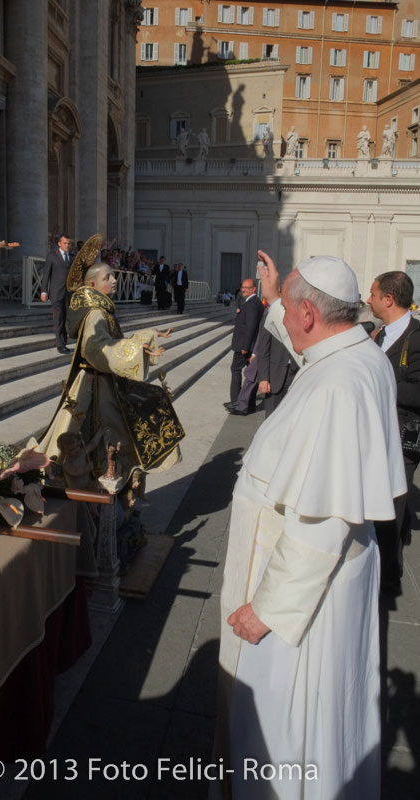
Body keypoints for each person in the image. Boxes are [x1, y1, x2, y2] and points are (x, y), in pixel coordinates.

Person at [214, 251, 406, 800]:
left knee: (287, 728)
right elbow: (310, 349)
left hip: (301, 604)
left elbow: (322, 524)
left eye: (293, 310)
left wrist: (266, 609)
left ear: (310, 317)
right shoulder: (354, 352)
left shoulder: (337, 387)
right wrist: (277, 300)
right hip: (329, 584)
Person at [38, 236, 184, 484]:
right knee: (109, 429)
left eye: (112, 276)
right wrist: (136, 349)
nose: (114, 279)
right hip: (95, 385)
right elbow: (96, 348)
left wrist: (148, 336)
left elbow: (115, 340)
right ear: (93, 285)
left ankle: (122, 477)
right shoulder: (95, 313)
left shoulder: (102, 310)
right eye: (107, 278)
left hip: (104, 381)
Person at [367, 271, 420, 596]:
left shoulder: (417, 338)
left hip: (403, 439)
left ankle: (388, 578)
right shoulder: (380, 333)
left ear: (388, 299)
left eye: (373, 294)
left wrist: (378, 378)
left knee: (390, 509)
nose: (368, 300)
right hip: (379, 434)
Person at [225, 279, 264, 409]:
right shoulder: (253, 302)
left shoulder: (252, 304)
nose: (243, 290)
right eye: (242, 287)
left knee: (235, 369)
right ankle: (249, 402)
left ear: (253, 289)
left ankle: (236, 401)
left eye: (246, 288)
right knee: (251, 374)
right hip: (248, 345)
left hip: (244, 345)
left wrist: (245, 347)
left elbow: (251, 327)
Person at [257, 309, 299, 417]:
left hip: (295, 371)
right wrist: (263, 378)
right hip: (274, 374)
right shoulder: (271, 315)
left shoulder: (301, 313)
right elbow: (263, 350)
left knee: (289, 415)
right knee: (271, 416)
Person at [41, 234, 73, 353]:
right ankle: (60, 344)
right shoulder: (52, 256)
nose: (67, 245)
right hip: (56, 293)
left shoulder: (71, 257)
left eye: (69, 243)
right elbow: (46, 275)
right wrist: (44, 291)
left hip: (68, 293)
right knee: (58, 319)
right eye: (65, 243)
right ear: (59, 244)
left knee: (65, 319)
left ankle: (64, 341)